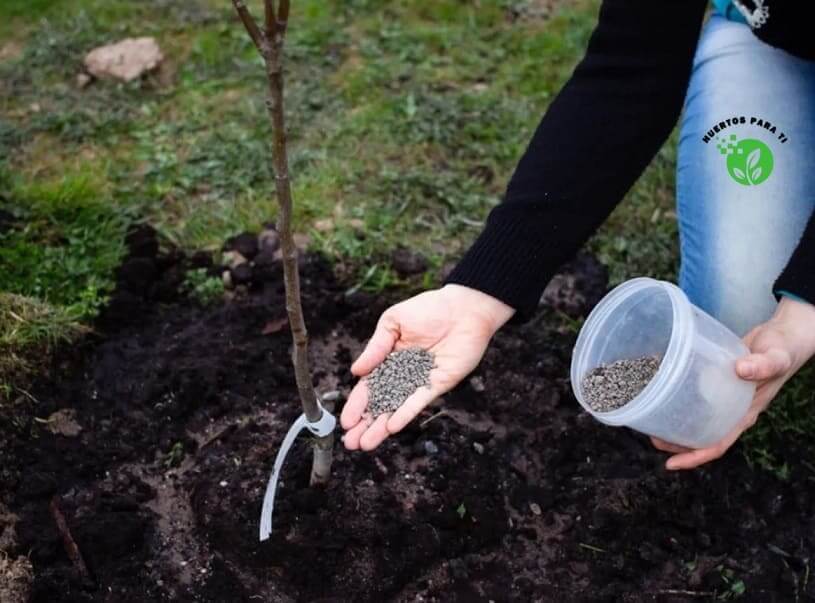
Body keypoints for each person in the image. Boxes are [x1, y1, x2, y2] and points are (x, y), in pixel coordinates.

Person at [340, 0, 815, 470]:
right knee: (735, 332)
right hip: (781, 47)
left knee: (783, 322)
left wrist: (803, 312)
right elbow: (632, 70)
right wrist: (482, 291)